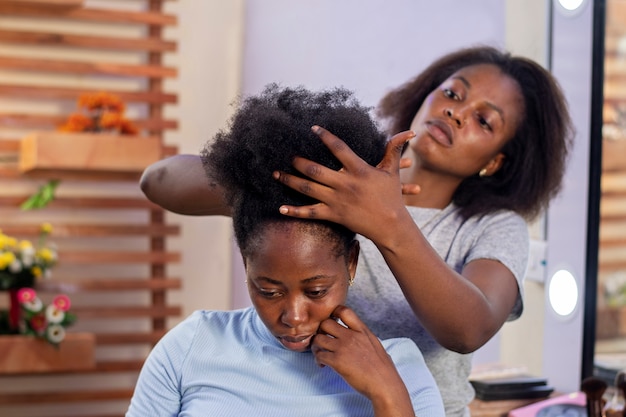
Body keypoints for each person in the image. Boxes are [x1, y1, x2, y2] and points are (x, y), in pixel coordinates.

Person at [139, 46, 573, 417]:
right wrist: (280, 174)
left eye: (484, 121)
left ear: (494, 161)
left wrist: (387, 220)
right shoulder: (336, 185)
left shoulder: (491, 229)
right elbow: (158, 181)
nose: (456, 114)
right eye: (453, 94)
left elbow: (467, 329)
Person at [127, 85, 445, 417]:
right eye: (269, 290)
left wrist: (387, 394)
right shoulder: (192, 345)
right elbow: (157, 178)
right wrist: (258, 188)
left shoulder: (399, 367)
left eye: (316, 290)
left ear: (351, 263)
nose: (293, 317)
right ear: (246, 263)